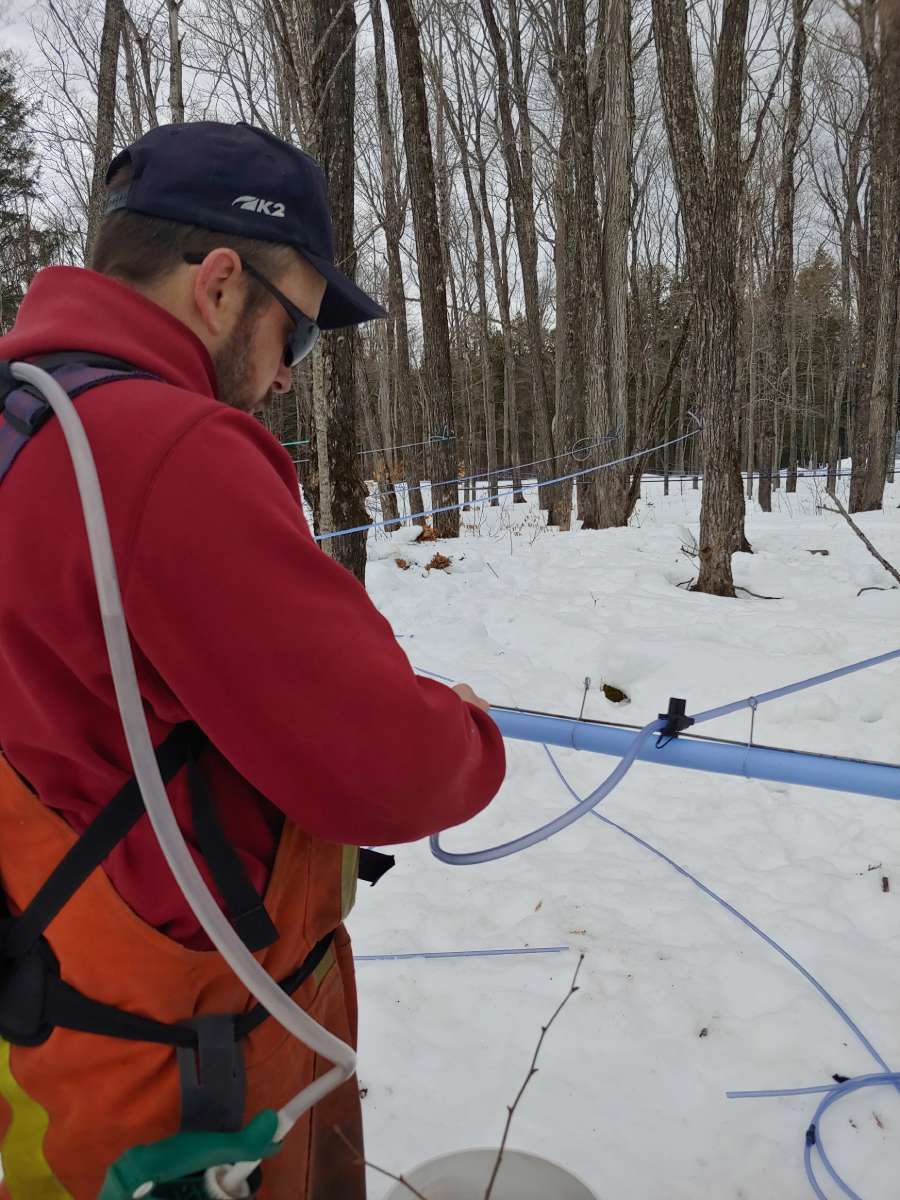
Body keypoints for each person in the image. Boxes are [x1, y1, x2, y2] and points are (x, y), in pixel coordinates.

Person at [0, 121, 505, 1200]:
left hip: (52, 1028)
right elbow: (381, 765)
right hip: (191, 1073)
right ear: (222, 285)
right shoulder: (167, 451)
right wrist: (462, 736)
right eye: (300, 336)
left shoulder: (24, 425)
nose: (284, 380)